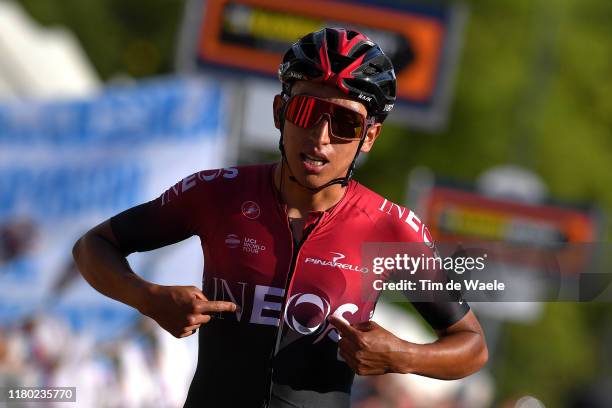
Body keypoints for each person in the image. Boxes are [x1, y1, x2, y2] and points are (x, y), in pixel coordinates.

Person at [73, 27, 488, 408]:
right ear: (279, 113)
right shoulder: (217, 192)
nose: (321, 137)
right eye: (308, 112)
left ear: (369, 138)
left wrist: (403, 355)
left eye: (345, 122)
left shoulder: (391, 228)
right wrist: (146, 297)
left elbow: (472, 346)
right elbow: (93, 246)